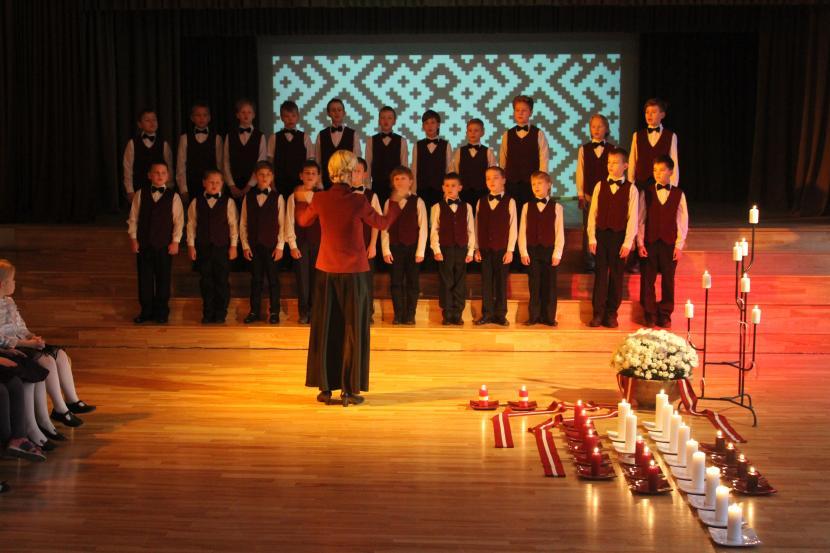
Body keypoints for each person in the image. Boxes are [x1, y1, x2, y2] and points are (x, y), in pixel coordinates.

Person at [294, 150, 401, 406]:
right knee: (352, 329)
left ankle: (326, 388)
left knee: (327, 328)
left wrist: (301, 199)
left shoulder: (320, 199)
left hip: (326, 272)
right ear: (350, 172)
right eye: (354, 169)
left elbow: (303, 221)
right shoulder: (357, 201)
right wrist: (396, 200)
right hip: (354, 273)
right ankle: (349, 390)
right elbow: (382, 223)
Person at [126, 162, 184, 324]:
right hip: (144, 245)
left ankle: (162, 312)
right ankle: (146, 311)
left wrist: (176, 241)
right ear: (149, 175)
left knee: (163, 280)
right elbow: (133, 219)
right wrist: (133, 239)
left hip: (164, 245)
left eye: (163, 173)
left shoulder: (174, 197)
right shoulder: (140, 194)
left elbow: (178, 221)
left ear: (168, 176)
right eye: (156, 172)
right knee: (144, 279)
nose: (160, 175)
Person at [587, 148, 638, 328]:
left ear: (625, 166)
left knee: (616, 276)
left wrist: (628, 242)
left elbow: (633, 218)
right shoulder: (599, 186)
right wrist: (592, 238)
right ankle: (598, 313)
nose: (611, 166)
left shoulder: (631, 189)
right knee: (600, 275)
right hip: (602, 235)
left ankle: (611, 313)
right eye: (609, 162)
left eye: (615, 162)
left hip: (619, 237)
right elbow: (593, 213)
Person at [638, 155, 688, 328]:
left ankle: (665, 314)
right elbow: (641, 219)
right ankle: (649, 313)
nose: (658, 173)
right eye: (655, 170)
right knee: (647, 279)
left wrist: (679, 245)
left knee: (668, 280)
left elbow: (682, 221)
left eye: (662, 170)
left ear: (671, 172)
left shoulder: (678, 194)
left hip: (669, 243)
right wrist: (640, 243)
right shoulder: (647, 192)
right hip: (650, 242)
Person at [187, 169, 239, 323]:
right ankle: (207, 313)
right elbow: (191, 225)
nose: (214, 185)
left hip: (222, 247)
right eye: (211, 182)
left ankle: (221, 313)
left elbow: (233, 226)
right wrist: (191, 245)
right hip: (203, 247)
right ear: (204, 183)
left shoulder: (228, 202)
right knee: (206, 281)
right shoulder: (196, 202)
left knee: (222, 281)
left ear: (222, 184)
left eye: (217, 182)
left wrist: (234, 246)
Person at [381, 166, 428, 325]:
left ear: (411, 181)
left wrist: (420, 251)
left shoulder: (418, 201)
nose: (400, 182)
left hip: (413, 248)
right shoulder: (389, 202)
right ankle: (398, 314)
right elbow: (384, 227)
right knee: (396, 282)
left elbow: (423, 228)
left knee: (412, 282)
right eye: (397, 179)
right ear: (392, 182)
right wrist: (386, 250)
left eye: (403, 178)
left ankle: (410, 315)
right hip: (395, 248)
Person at [240, 161, 285, 324]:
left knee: (273, 280)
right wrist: (245, 246)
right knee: (256, 280)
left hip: (272, 246)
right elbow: (243, 223)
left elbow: (282, 224)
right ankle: (254, 311)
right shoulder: (248, 197)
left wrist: (280, 246)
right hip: (254, 246)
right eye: (261, 174)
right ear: (255, 176)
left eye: (267, 174)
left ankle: (274, 312)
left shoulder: (278, 198)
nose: (264, 177)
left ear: (272, 177)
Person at [518, 171, 564, 326]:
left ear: (549, 185)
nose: (536, 187)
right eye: (533, 184)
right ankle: (534, 316)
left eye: (539, 183)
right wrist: (523, 251)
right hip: (532, 250)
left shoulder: (557, 207)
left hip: (549, 250)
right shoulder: (527, 206)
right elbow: (522, 231)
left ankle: (549, 317)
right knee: (534, 284)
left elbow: (559, 232)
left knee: (549, 285)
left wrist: (557, 253)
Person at [430, 173, 475, 325]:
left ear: (460, 188)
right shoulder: (437, 207)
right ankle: (447, 313)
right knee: (446, 281)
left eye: (453, 185)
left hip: (461, 249)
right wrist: (436, 250)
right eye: (447, 185)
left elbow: (471, 230)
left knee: (460, 282)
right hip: (445, 249)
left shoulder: (467, 207)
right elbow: (434, 230)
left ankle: (458, 313)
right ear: (443, 187)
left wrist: (470, 251)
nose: (450, 188)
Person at [474, 166, 517, 326]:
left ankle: (500, 314)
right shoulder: (481, 201)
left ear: (503, 180)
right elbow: (477, 225)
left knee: (501, 282)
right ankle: (487, 313)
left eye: (495, 177)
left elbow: (513, 226)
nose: (491, 181)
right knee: (486, 282)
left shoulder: (510, 201)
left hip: (502, 249)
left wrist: (510, 250)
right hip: (485, 249)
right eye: (488, 178)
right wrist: (476, 248)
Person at [285, 160, 323, 324]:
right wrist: (292, 246)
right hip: (300, 243)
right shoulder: (293, 197)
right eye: (307, 173)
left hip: (319, 243)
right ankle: (304, 312)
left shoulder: (323, 196)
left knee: (317, 279)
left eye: (313, 173)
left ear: (318, 177)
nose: (310, 176)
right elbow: (289, 221)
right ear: (301, 175)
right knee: (302, 279)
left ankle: (315, 312)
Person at [576, 113, 613, 273]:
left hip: (606, 196)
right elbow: (580, 171)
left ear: (606, 129)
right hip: (589, 195)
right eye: (593, 126)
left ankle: (604, 258)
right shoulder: (584, 149)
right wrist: (580, 194)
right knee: (588, 227)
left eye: (600, 126)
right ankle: (588, 260)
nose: (596, 129)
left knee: (605, 227)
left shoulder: (612, 149)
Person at [176, 102, 223, 205]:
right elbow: (181, 166)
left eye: (205, 115)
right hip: (191, 185)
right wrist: (183, 189)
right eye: (198, 115)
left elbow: (220, 165)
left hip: (212, 186)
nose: (202, 118)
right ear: (192, 118)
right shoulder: (185, 138)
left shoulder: (217, 138)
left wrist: (220, 187)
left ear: (209, 118)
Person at [122, 108, 173, 203]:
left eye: (154, 120)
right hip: (138, 188)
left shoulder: (164, 144)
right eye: (147, 120)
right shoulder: (132, 143)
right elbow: (127, 168)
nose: (152, 123)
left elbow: (169, 167)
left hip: (159, 189)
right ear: (139, 124)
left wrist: (169, 187)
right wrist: (129, 190)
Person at [267, 100, 315, 199]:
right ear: (281, 117)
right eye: (286, 116)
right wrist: (272, 183)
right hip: (279, 184)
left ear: (298, 117)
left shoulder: (305, 137)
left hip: (300, 184)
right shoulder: (274, 138)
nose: (290, 119)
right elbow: (270, 163)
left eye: (293, 116)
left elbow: (310, 162)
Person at [365, 106, 408, 207]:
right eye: (383, 117)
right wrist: (367, 186)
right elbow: (368, 164)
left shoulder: (402, 141)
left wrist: (404, 188)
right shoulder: (371, 140)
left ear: (394, 121)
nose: (386, 120)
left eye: (389, 118)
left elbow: (404, 165)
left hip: (396, 187)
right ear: (379, 121)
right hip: (377, 185)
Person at [315, 98, 362, 189]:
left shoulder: (353, 134)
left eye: (339, 110)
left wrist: (355, 182)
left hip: (348, 185)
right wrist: (319, 183)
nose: (336, 113)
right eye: (333, 110)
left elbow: (357, 161)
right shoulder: (321, 135)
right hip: (326, 184)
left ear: (344, 113)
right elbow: (318, 161)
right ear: (328, 113)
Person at [451, 118, 496, 212]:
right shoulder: (459, 151)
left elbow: (493, 173)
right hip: (463, 193)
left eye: (476, 130)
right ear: (466, 132)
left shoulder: (488, 152)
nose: (473, 133)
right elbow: (455, 172)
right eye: (470, 130)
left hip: (482, 192)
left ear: (482, 133)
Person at [411, 109, 452, 209]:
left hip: (440, 190)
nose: (430, 126)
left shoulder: (446, 145)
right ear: (423, 126)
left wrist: (448, 190)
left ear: (438, 125)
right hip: (422, 189)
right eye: (426, 123)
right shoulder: (417, 145)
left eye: (433, 122)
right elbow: (414, 168)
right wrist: (413, 190)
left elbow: (449, 169)